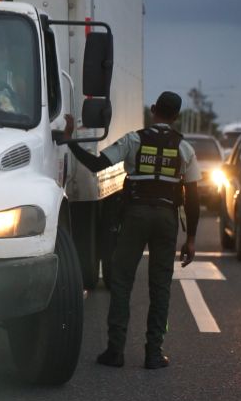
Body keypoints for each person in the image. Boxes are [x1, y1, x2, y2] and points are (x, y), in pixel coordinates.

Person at [62, 91, 200, 369]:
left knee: (122, 282)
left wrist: (69, 141)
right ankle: (153, 353)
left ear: (153, 110)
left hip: (135, 215)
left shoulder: (134, 139)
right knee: (160, 287)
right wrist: (192, 239)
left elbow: (97, 165)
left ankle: (115, 351)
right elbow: (194, 198)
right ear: (175, 117)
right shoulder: (185, 148)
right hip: (166, 219)